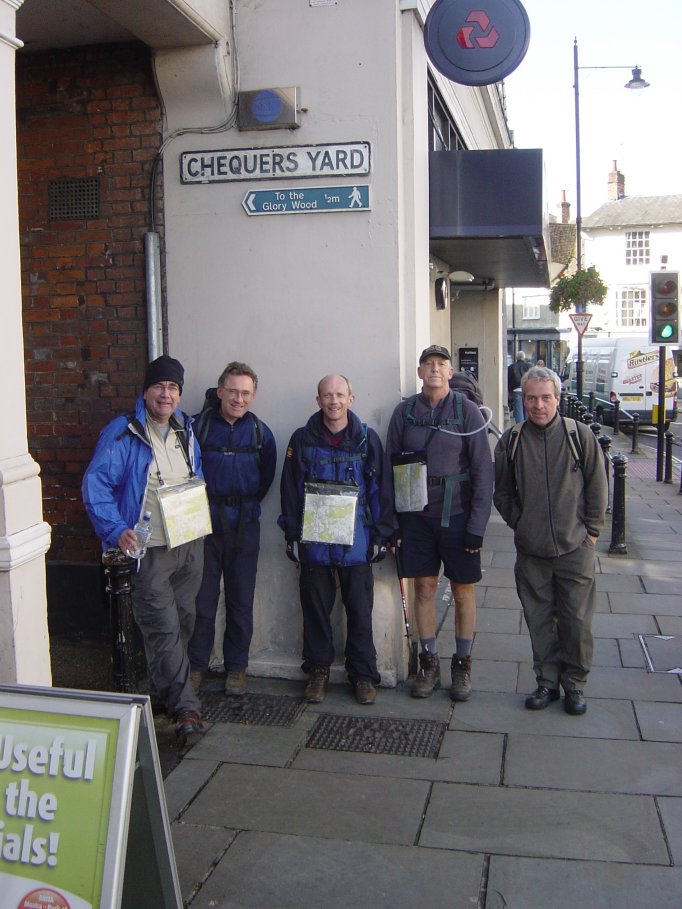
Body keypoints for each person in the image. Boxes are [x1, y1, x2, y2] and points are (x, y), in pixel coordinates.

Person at [82, 355, 206, 738]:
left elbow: (194, 475)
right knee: (163, 627)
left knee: (184, 621)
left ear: (179, 394)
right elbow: (95, 485)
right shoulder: (123, 432)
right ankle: (186, 708)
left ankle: (164, 693)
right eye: (159, 387)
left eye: (172, 388)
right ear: (146, 391)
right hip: (149, 552)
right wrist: (117, 529)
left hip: (188, 543)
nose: (166, 395)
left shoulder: (186, 430)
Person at [493, 366, 608, 715]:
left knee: (575, 621)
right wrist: (521, 525)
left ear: (557, 399)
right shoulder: (511, 441)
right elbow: (502, 493)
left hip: (575, 548)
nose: (538, 405)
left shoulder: (580, 435)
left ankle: (575, 684)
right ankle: (546, 682)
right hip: (532, 551)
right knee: (538, 619)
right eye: (531, 398)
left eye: (545, 398)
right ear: (522, 399)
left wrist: (590, 532)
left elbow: (597, 486)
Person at [385, 345, 494, 701]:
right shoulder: (404, 414)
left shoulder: (468, 413)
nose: (434, 369)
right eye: (428, 364)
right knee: (425, 588)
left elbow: (482, 471)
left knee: (462, 590)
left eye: (441, 364)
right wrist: (393, 522)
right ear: (419, 373)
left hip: (459, 516)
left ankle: (462, 662)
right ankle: (427, 660)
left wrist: (478, 524)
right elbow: (390, 469)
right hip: (416, 518)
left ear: (450, 372)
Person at [279, 374, 393, 706]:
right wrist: (291, 535)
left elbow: (380, 490)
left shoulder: (366, 439)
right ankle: (317, 671)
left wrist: (381, 535)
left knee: (359, 609)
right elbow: (289, 490)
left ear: (351, 398)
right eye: (327, 396)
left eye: (340, 395)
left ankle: (363, 675)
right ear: (318, 401)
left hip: (356, 541)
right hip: (314, 542)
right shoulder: (301, 440)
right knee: (314, 608)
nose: (334, 401)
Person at [188, 362, 277, 696]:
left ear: (253, 396)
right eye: (233, 391)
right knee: (202, 600)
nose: (239, 399)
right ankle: (197, 666)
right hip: (203, 526)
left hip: (244, 527)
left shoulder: (260, 433)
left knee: (241, 600)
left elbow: (266, 477)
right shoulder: (196, 428)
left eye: (246, 393)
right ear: (220, 390)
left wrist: (245, 504)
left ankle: (236, 667)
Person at [507, 350, 531, 423]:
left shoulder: (511, 367)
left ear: (516, 358)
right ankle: (528, 425)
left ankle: (520, 426)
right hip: (527, 389)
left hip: (516, 389)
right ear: (524, 357)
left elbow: (509, 380)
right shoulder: (529, 366)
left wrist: (509, 391)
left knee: (518, 410)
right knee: (527, 408)